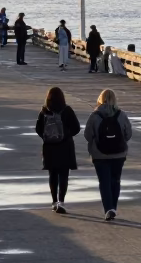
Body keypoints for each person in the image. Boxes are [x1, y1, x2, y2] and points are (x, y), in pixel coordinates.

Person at [84, 88, 132, 220]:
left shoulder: (94, 116)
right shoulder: (121, 114)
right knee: (115, 181)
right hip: (119, 154)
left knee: (104, 182)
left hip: (100, 154)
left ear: (100, 99)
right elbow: (128, 134)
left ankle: (108, 208)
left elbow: (88, 135)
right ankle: (114, 208)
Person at [35, 86, 81, 214]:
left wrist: (47, 137)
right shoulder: (67, 110)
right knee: (64, 175)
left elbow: (38, 129)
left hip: (49, 148)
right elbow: (77, 128)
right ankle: (61, 201)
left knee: (52, 175)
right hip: (65, 147)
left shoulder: (44, 111)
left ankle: (54, 201)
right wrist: (66, 135)